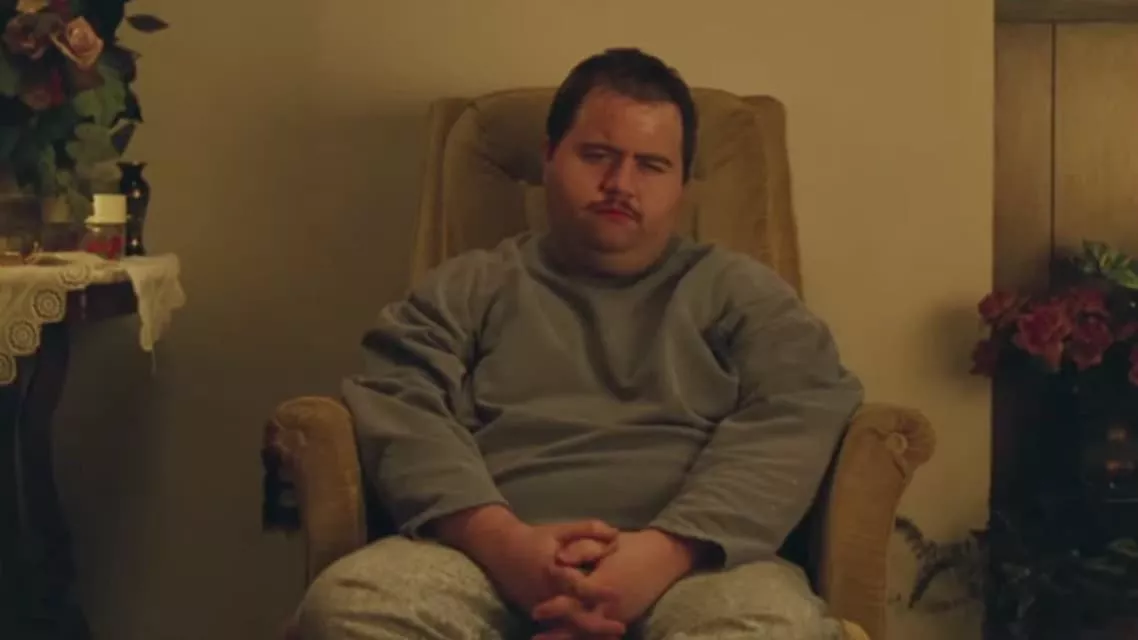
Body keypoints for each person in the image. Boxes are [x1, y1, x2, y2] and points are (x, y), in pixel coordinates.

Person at [296, 47, 863, 640]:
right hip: (480, 558)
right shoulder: (470, 285)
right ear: (550, 157)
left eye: (651, 165)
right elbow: (400, 400)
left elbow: (800, 409)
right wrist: (504, 544)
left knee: (771, 627)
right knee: (349, 608)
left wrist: (666, 552)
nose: (621, 185)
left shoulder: (743, 292)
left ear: (682, 184)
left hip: (698, 568)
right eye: (597, 156)